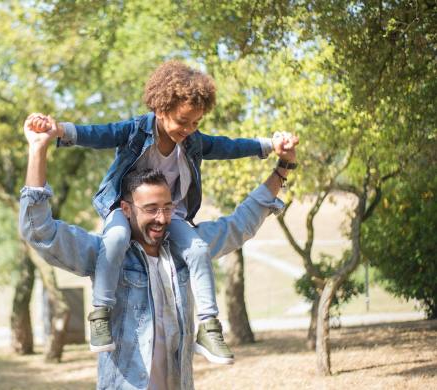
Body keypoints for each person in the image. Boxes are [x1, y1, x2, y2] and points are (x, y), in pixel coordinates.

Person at [26, 60, 297, 364]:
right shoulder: (136, 131)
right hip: (120, 207)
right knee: (114, 240)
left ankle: (208, 326)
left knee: (195, 249)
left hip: (176, 215)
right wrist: (56, 131)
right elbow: (99, 134)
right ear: (160, 109)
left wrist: (269, 147)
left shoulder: (192, 141)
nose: (189, 130)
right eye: (183, 121)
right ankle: (100, 312)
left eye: (196, 123)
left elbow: (226, 147)